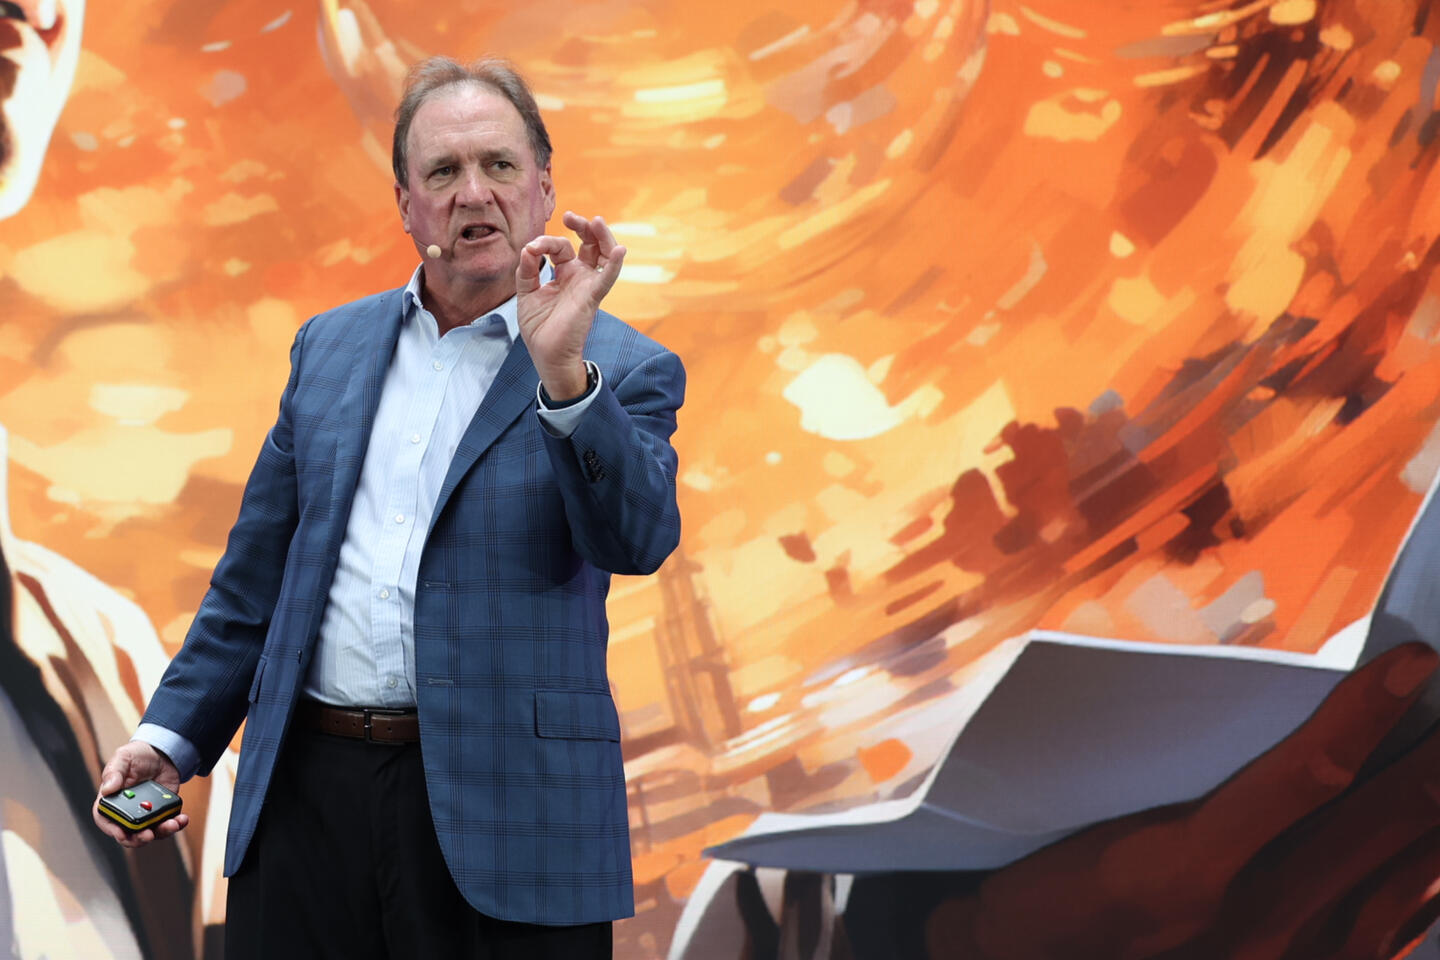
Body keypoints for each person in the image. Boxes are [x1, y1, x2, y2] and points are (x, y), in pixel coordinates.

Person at [91, 55, 684, 960]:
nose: (472, 193)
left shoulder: (620, 367)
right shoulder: (328, 348)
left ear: (544, 187)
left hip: (510, 814)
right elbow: (256, 582)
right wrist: (170, 738)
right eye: (442, 172)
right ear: (406, 204)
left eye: (499, 164)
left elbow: (636, 540)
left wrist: (564, 376)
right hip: (308, 802)